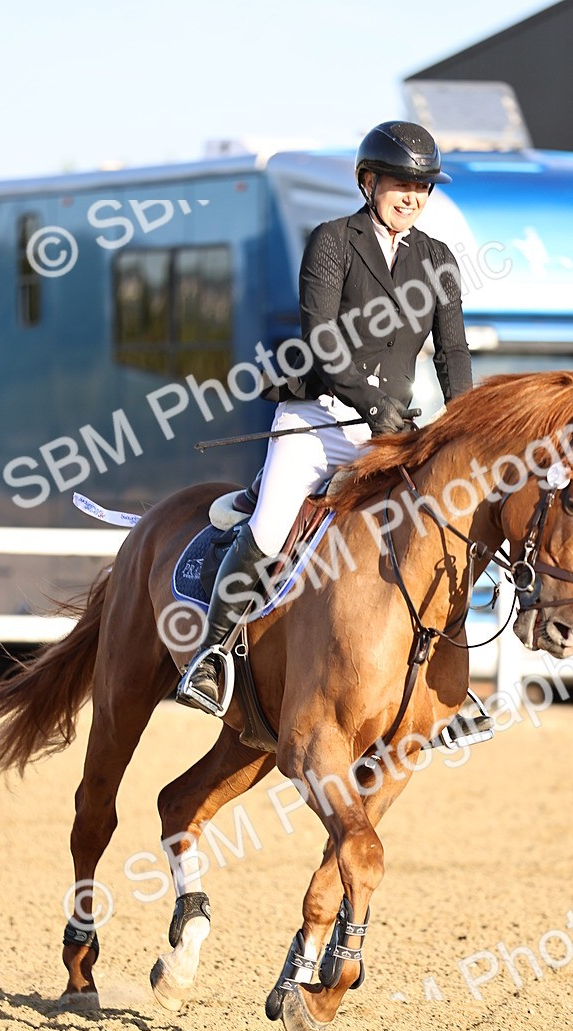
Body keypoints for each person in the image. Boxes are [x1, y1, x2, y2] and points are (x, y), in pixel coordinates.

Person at [177, 120, 473, 713]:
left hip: (391, 433)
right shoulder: (333, 240)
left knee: (445, 530)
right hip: (318, 421)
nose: (412, 197)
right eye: (400, 184)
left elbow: (452, 351)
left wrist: (462, 425)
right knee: (267, 528)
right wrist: (373, 408)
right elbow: (323, 338)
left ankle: (446, 688)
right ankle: (209, 655)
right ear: (368, 182)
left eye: (423, 187)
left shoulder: (438, 259)